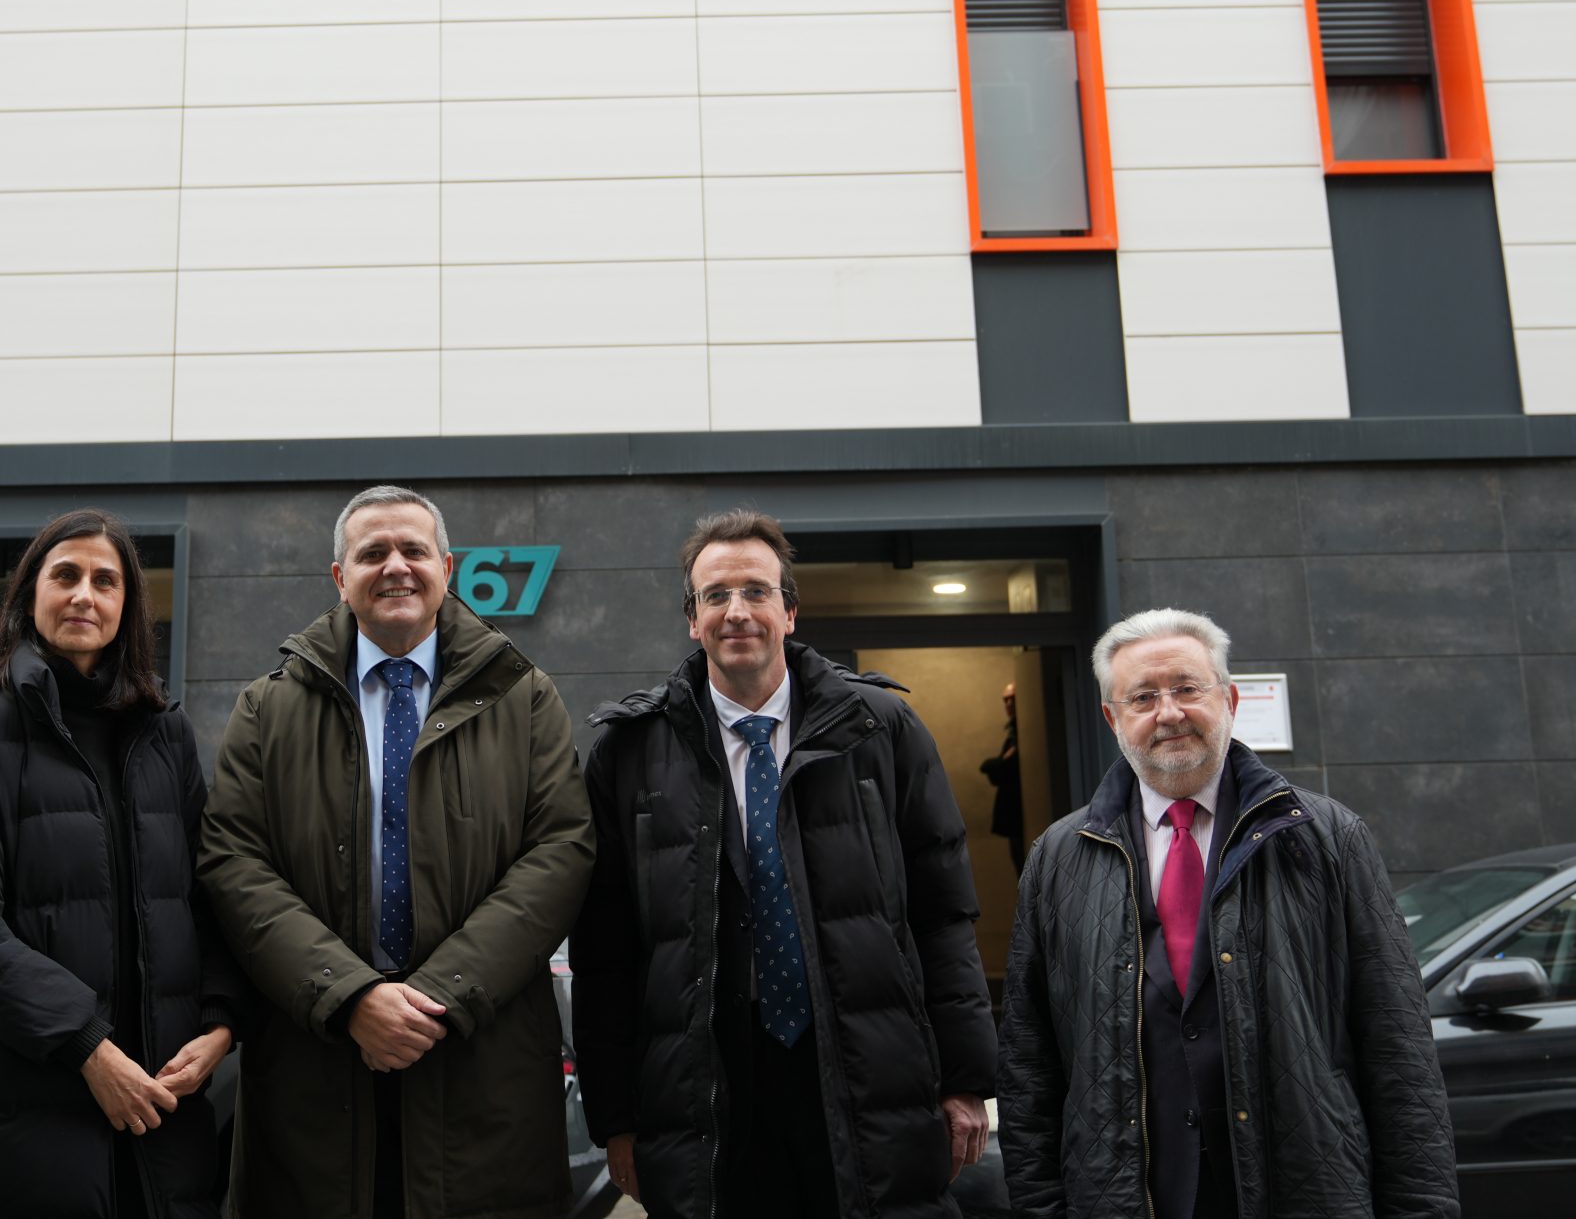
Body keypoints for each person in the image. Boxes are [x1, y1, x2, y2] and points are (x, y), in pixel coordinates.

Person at [572, 509, 996, 1219]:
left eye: (756, 591)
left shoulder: (880, 730)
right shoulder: (630, 752)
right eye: (715, 595)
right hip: (707, 1090)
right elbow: (605, 949)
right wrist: (615, 1116)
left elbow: (943, 914)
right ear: (692, 619)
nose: (737, 611)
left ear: (790, 610)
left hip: (868, 1073)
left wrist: (965, 1079)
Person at [199, 485, 595, 1219]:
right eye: (372, 551)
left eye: (413, 549)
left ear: (446, 567)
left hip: (482, 1067)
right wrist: (350, 995)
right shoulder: (269, 707)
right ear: (338, 577)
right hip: (315, 1072)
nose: (396, 566)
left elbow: (561, 851)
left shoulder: (526, 697)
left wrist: (435, 996)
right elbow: (233, 860)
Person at [997, 608, 1458, 1219]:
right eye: (1142, 697)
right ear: (1113, 719)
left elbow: (1398, 1048)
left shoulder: (1327, 839)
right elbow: (1030, 1066)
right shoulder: (1060, 858)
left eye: (1188, 688)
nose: (1169, 712)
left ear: (1229, 698)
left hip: (1301, 1188)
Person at [0, 508, 243, 1219]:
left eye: (106, 579)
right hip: (21, 1113)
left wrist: (220, 1020)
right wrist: (89, 1048)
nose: (84, 595)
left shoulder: (165, 735)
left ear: (128, 605)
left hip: (162, 1116)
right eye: (65, 575)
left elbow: (210, 893)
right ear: (31, 592)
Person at [981, 680, 1027, 876]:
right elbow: (993, 771)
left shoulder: (1024, 733)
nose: (1008, 704)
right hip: (1015, 818)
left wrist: (1001, 763)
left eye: (1012, 699)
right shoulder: (1013, 734)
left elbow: (1001, 769)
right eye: (1005, 700)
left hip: (1022, 814)